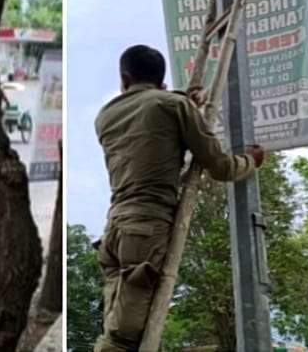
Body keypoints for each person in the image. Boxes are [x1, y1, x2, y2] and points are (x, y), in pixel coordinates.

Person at [93, 45, 264, 352]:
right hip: (146, 228)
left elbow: (150, 116)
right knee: (123, 338)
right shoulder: (173, 106)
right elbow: (220, 166)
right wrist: (250, 161)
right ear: (161, 79)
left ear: (124, 78)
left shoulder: (105, 116)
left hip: (114, 230)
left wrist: (183, 98)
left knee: (118, 321)